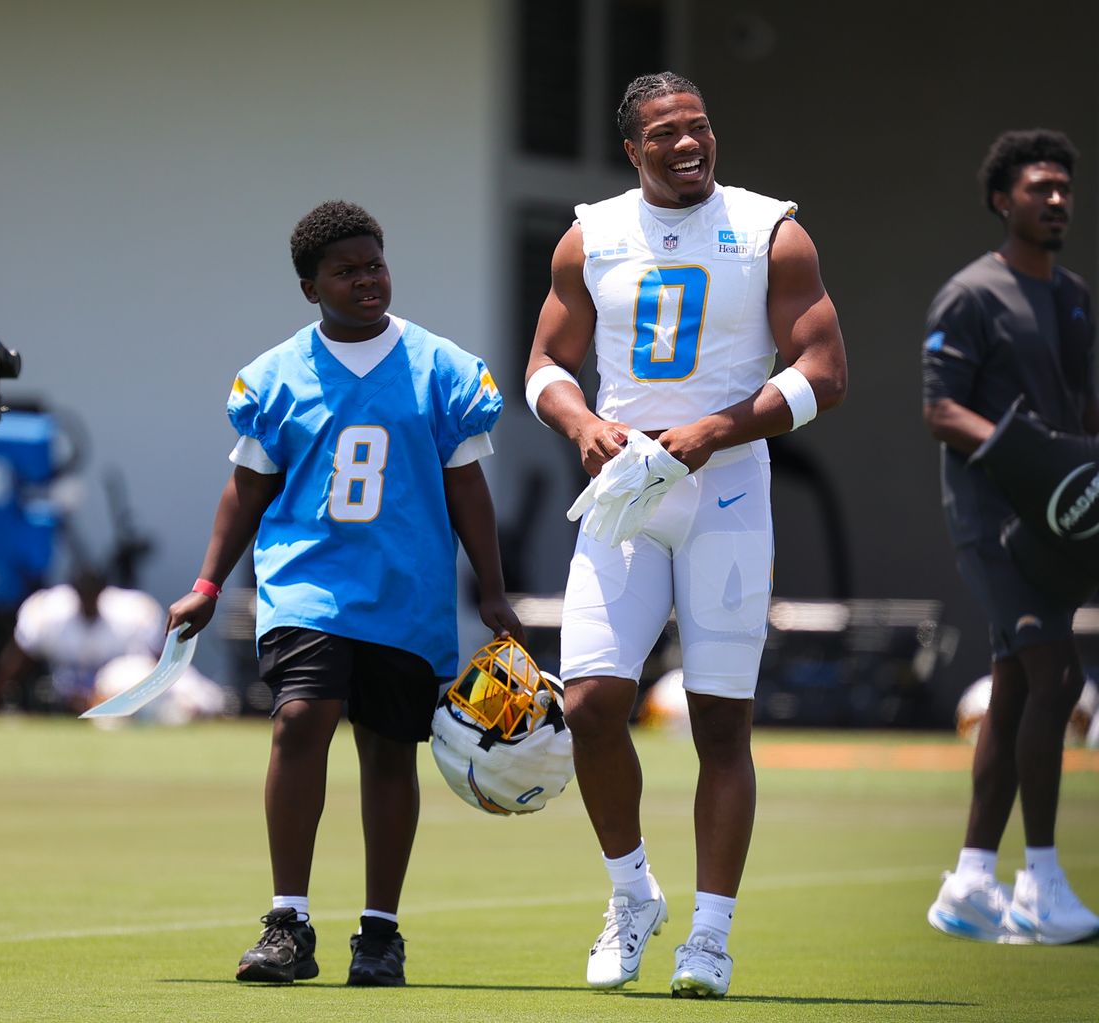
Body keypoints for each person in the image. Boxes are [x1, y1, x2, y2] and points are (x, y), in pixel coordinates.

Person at [524, 72, 847, 997]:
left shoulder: (770, 227)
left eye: (699, 127)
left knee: (719, 724)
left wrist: (718, 429)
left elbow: (825, 371)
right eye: (666, 134)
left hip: (730, 493)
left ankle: (710, 934)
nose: (689, 144)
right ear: (634, 149)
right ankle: (633, 893)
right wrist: (582, 424)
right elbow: (546, 360)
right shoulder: (591, 233)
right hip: (627, 494)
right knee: (589, 705)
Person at [166, 200, 522, 988]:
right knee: (301, 717)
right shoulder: (274, 375)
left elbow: (469, 491)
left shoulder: (443, 369)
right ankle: (287, 920)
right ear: (309, 287)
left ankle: (381, 932)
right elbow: (246, 490)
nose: (367, 279)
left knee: (390, 752)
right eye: (346, 270)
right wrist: (205, 582)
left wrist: (491, 591)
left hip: (407, 592)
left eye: (375, 264)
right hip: (307, 584)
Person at [923, 129, 1099, 945]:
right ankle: (1041, 879)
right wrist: (1022, 458)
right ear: (1004, 200)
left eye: (1064, 187)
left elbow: (1079, 412)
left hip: (1058, 522)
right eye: (1040, 187)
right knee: (1054, 673)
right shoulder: (971, 295)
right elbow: (941, 409)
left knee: (1017, 690)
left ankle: (970, 879)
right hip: (992, 518)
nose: (1056, 198)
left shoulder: (1074, 297)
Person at [0, 567, 166, 717]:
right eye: (83, 593)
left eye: (93, 593)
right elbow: (16, 661)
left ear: (103, 592)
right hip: (64, 702)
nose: (88, 599)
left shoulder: (133, 614)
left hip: (123, 704)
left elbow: (156, 669)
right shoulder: (48, 612)